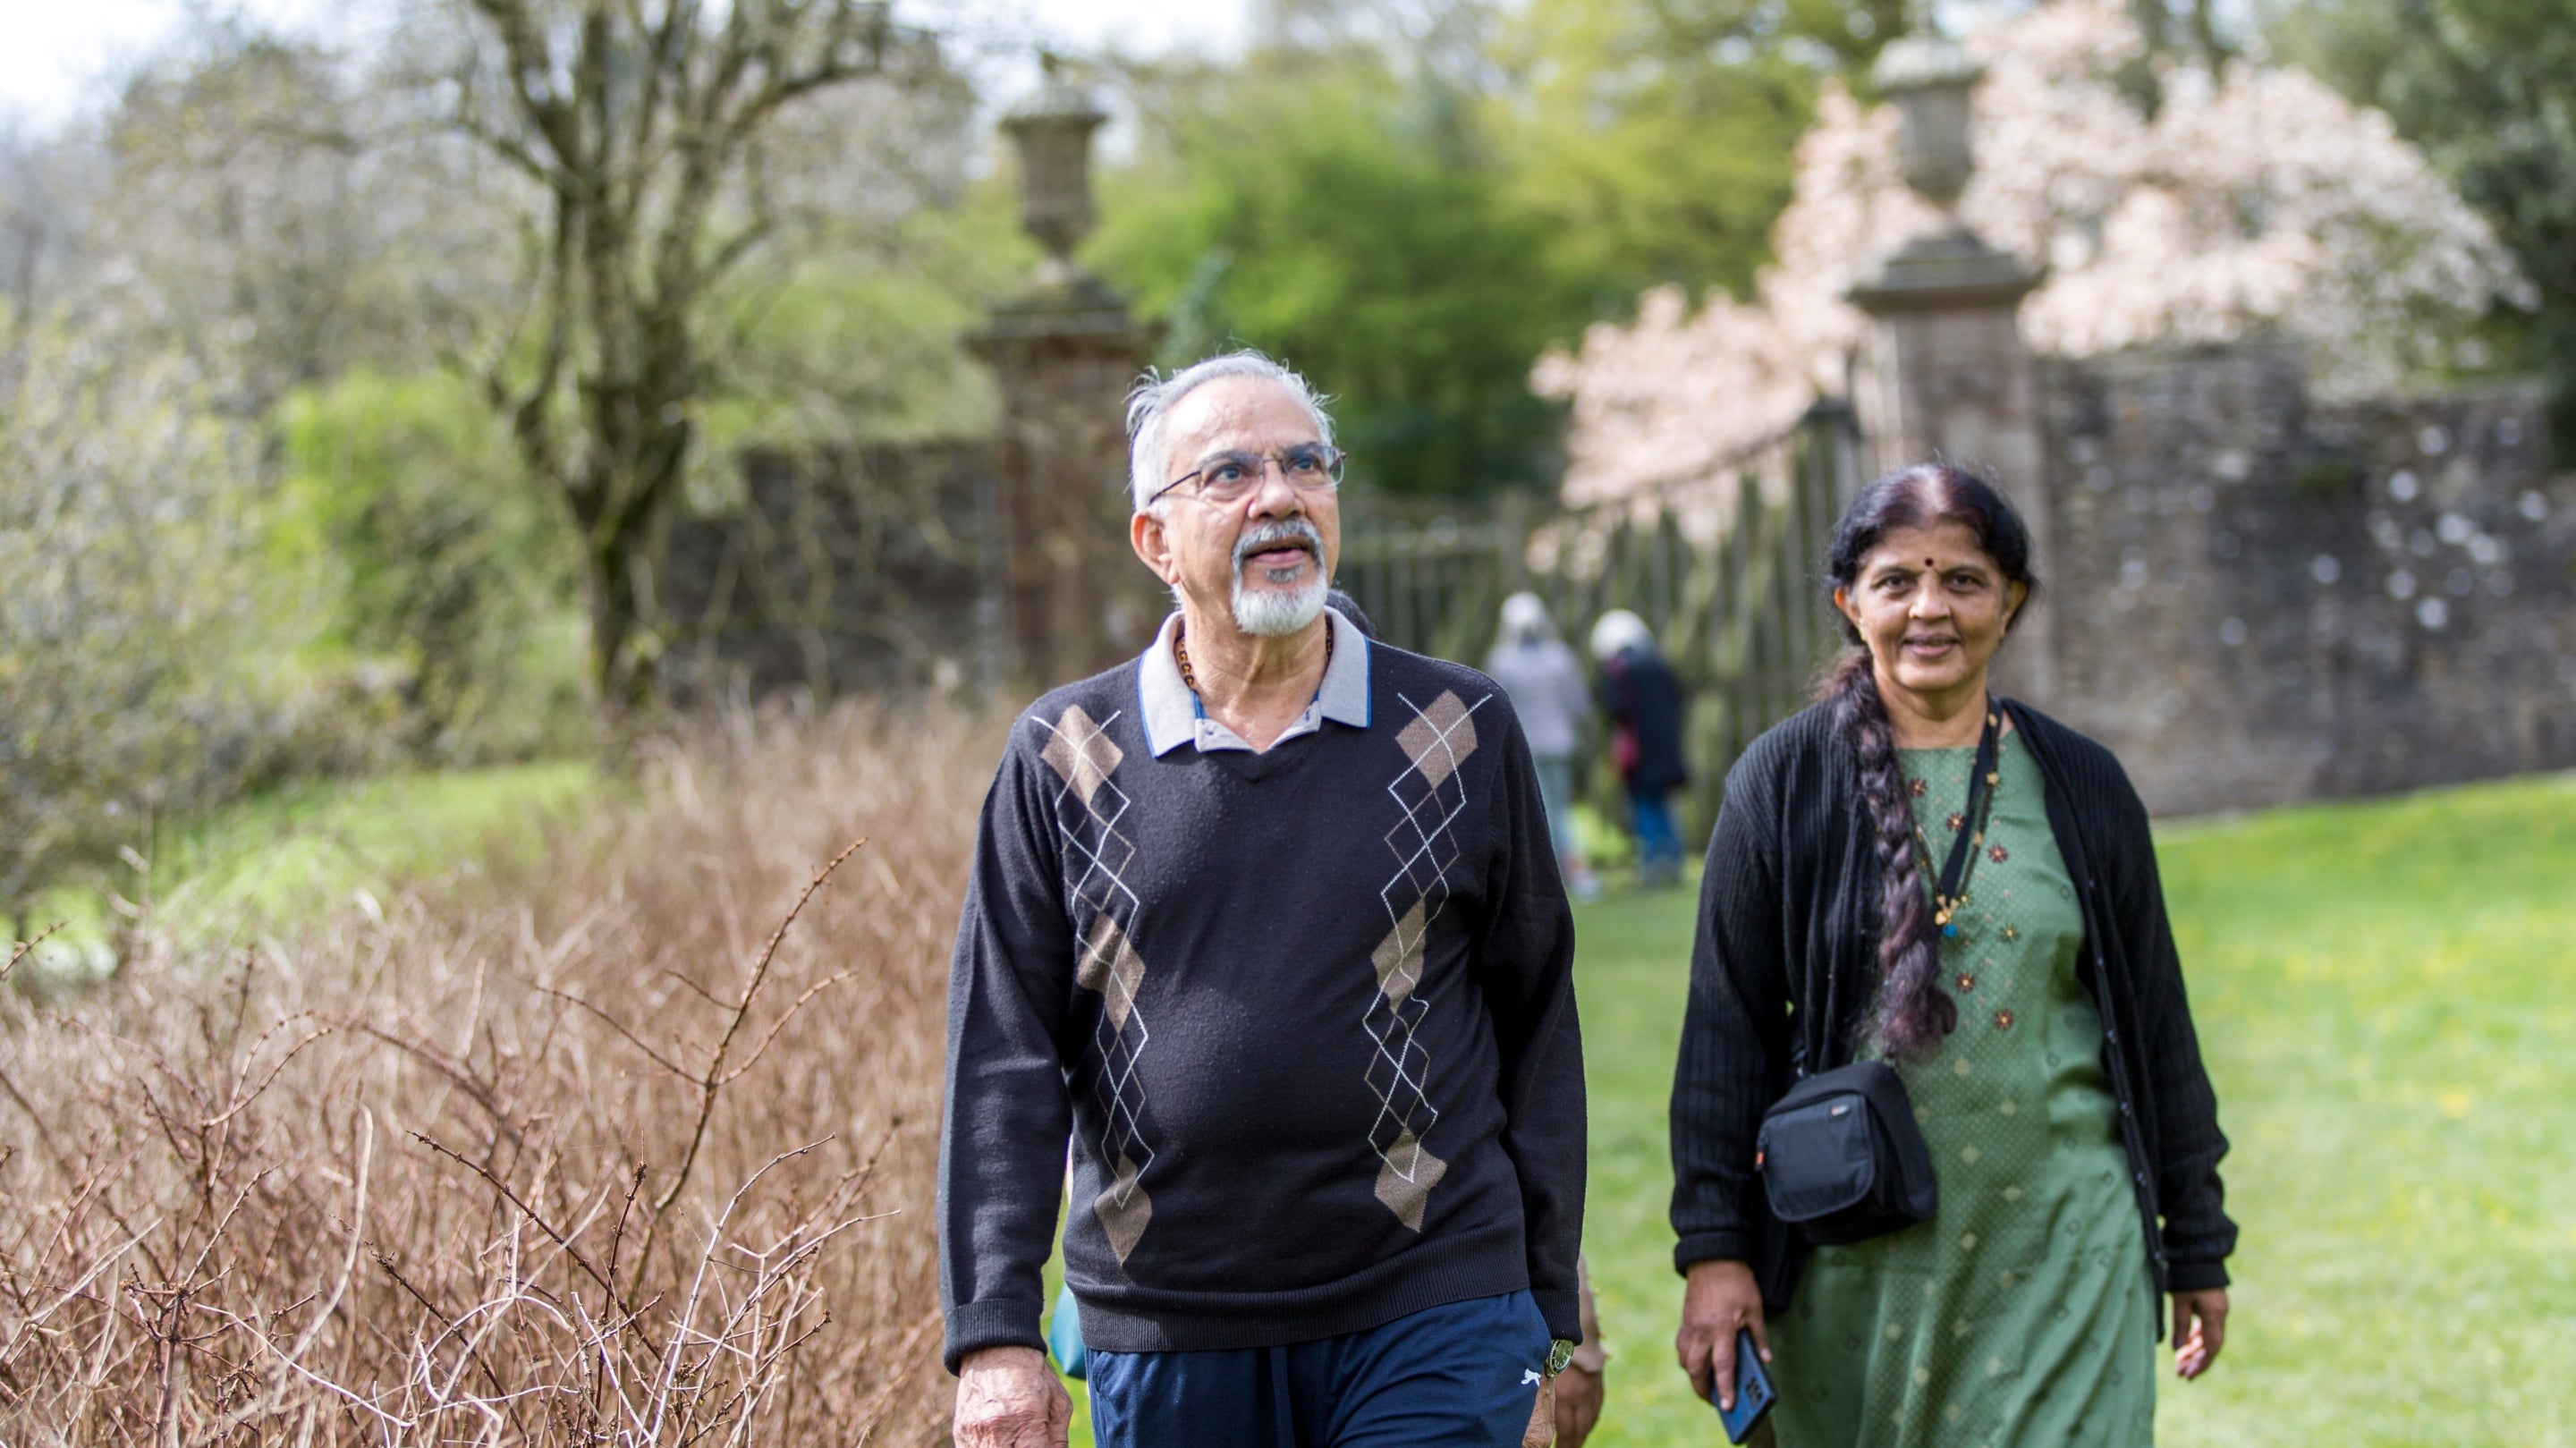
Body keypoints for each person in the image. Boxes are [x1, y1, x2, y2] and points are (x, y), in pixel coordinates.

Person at [940, 350, 1588, 1448]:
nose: (1278, 495)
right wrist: (995, 1334)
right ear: (1155, 540)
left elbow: (1535, 1025)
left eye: (1305, 465)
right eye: (1230, 472)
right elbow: (1001, 1054)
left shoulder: (1459, 729)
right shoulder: (1064, 753)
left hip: (1432, 1298)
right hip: (1170, 1320)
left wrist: (1558, 1311)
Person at [1666, 463, 2236, 1445]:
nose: (1930, 607)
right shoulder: (1784, 781)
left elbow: (2154, 1025)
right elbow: (1727, 1034)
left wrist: (2197, 1239)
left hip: (2067, 1244)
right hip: (1857, 1259)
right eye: (1897, 581)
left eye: (1964, 580)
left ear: (2011, 599)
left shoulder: (2085, 784)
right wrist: (1715, 1251)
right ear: (1851, 601)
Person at [1487, 592, 1601, 902]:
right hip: (1561, 743)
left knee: (1541, 812)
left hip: (1527, 747)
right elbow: (1579, 704)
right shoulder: (1561, 657)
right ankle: (1575, 874)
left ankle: (1557, 877)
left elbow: (1499, 707)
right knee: (1560, 810)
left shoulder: (1503, 661)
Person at [1589, 610, 1688, 888]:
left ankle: (1653, 864)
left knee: (1645, 807)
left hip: (1641, 754)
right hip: (1666, 748)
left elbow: (1616, 711)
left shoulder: (1620, 671)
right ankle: (1674, 861)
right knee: (1665, 805)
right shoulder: (1658, 663)